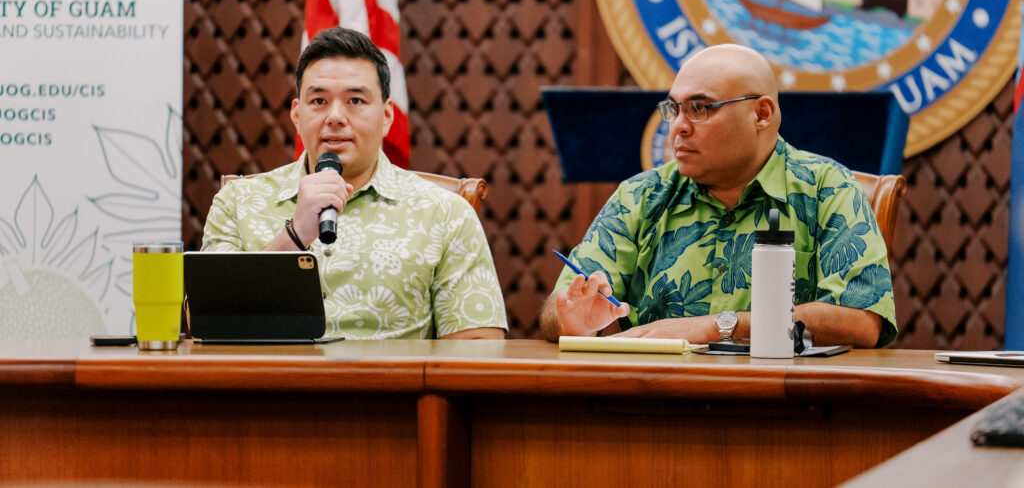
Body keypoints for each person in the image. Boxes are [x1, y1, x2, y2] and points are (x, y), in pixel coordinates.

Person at [539, 44, 897, 348]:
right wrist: (571, 320)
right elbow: (558, 308)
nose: (678, 125)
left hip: (788, 409)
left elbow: (862, 320)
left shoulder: (827, 188)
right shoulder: (641, 196)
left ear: (761, 114)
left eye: (700, 108)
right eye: (674, 108)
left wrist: (716, 326)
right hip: (656, 406)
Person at [203, 26, 507, 340]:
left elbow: (478, 345)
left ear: (387, 116)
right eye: (319, 100)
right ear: (297, 115)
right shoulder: (237, 202)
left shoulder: (446, 213)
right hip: (267, 387)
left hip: (391, 388)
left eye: (355, 101)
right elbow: (204, 321)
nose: (335, 116)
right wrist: (294, 237)